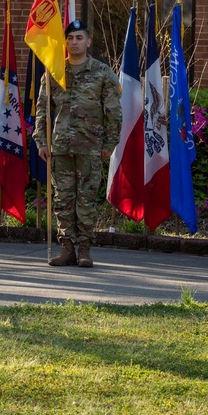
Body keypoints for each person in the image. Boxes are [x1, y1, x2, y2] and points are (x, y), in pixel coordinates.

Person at [35, 19, 121, 268]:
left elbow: (114, 111)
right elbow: (42, 109)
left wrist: (110, 142)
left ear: (89, 41)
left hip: (90, 145)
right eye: (70, 38)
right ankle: (66, 248)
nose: (74, 42)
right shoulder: (55, 71)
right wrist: (42, 140)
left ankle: (84, 248)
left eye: (79, 38)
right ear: (65, 42)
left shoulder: (102, 72)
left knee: (85, 199)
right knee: (63, 199)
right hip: (60, 146)